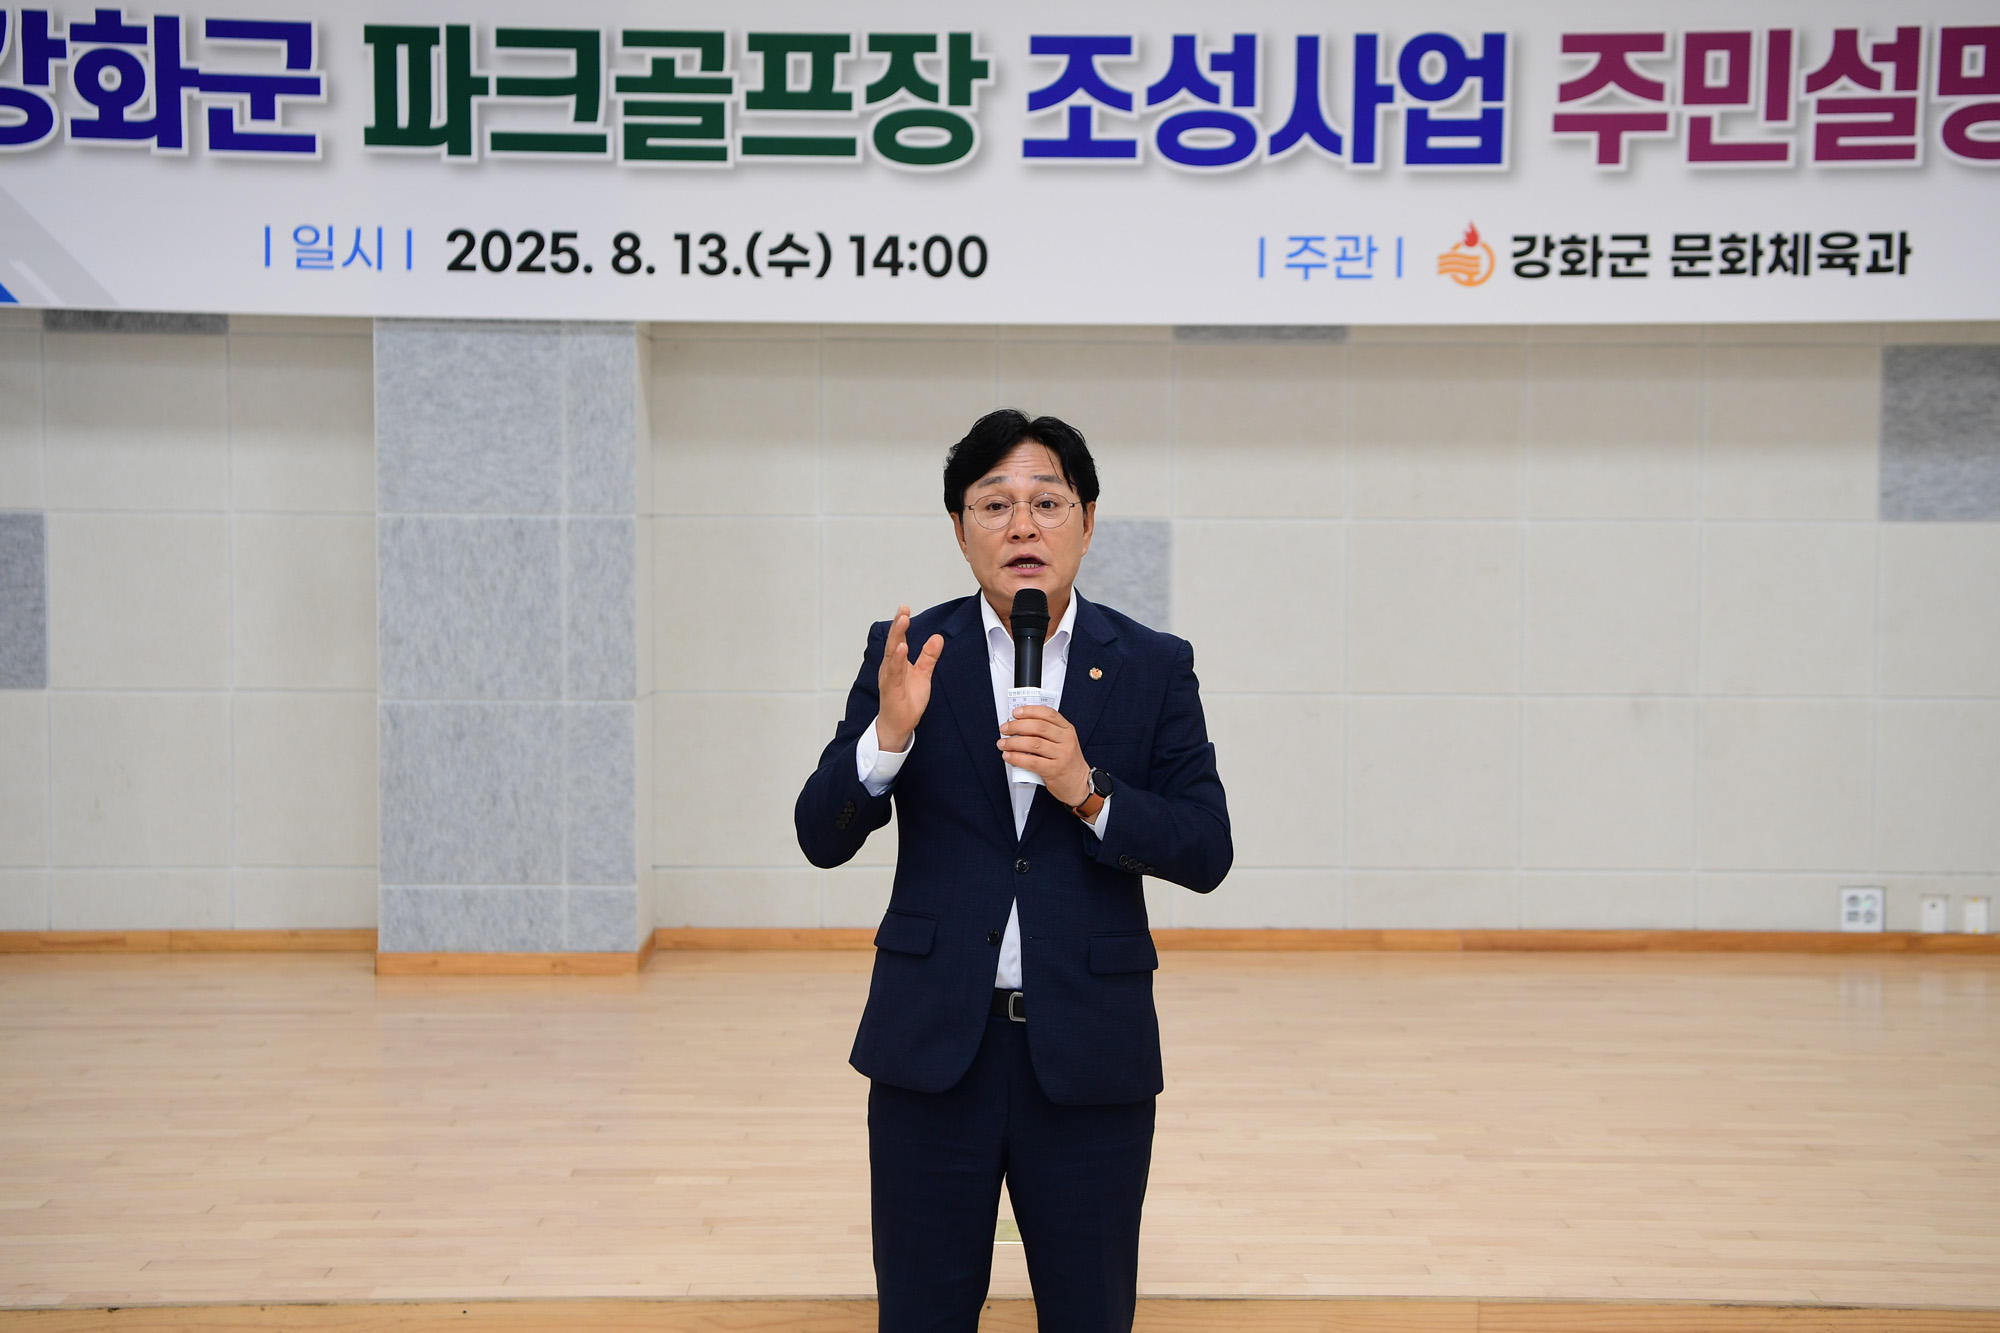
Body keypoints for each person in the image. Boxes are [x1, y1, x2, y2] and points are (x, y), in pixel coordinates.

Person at [794, 408, 1232, 1333]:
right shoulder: (908, 653)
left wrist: (1089, 789)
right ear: (960, 529)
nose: (1022, 525)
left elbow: (1205, 847)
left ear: (1087, 519)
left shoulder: (1151, 664)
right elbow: (819, 833)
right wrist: (887, 737)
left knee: (1089, 1314)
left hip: (1091, 1052)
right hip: (931, 1048)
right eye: (994, 504)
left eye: (1046, 502)